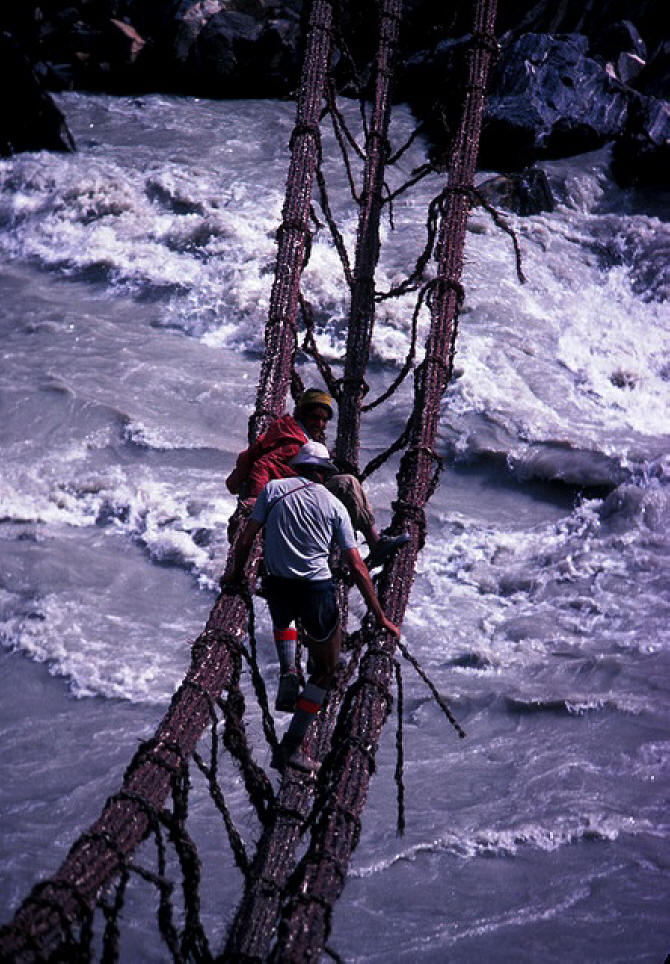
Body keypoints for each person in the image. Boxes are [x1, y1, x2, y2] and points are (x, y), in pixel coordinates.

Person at [221, 440, 400, 773]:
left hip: (276, 584)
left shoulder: (273, 490)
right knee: (326, 670)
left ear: (298, 467)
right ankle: (291, 746)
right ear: (323, 472)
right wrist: (380, 616)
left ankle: (289, 671)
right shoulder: (334, 505)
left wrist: (234, 573)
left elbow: (246, 538)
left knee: (284, 616)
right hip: (315, 590)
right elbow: (357, 566)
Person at [226, 387, 409, 570]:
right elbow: (263, 465)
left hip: (288, 494)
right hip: (288, 500)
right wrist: (256, 498)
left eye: (324, 419)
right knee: (348, 484)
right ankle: (374, 543)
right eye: (315, 418)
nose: (320, 424)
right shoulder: (294, 442)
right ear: (302, 415)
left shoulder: (290, 429)